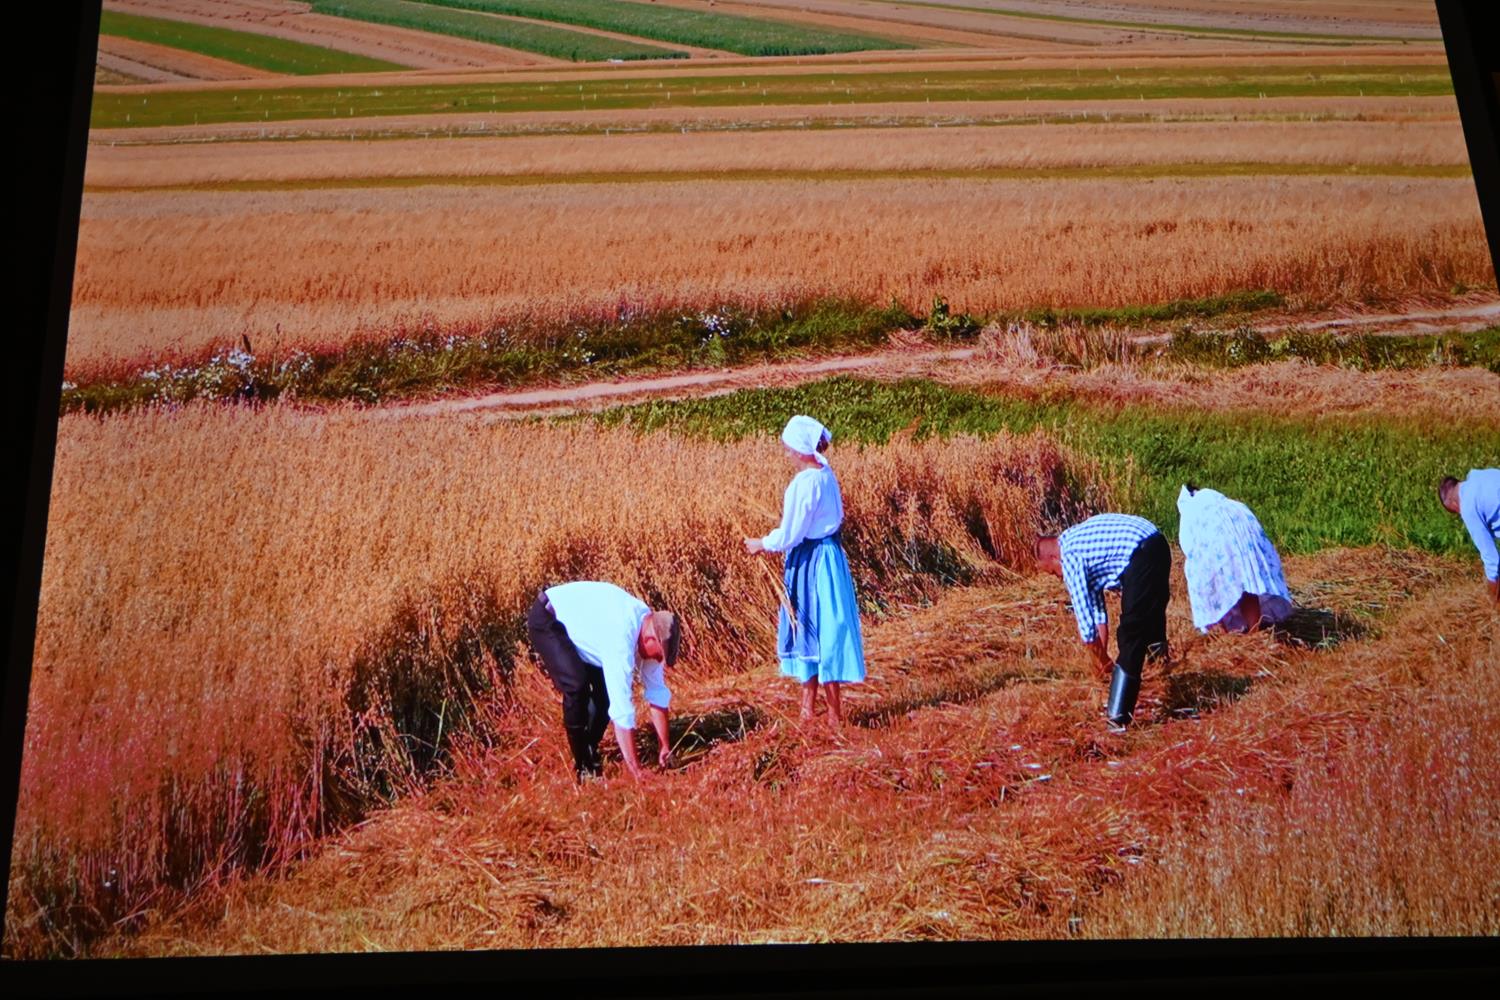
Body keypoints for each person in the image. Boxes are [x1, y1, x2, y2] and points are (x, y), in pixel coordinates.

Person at [744, 415, 866, 729]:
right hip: (830, 557)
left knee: (818, 631)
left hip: (811, 563)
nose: (787, 454)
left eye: (789, 448)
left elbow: (792, 534)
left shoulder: (805, 483)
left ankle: (830, 715)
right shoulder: (826, 473)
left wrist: (762, 543)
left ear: (799, 449)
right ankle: (810, 709)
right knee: (820, 630)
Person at [525, 581, 680, 783]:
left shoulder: (650, 627)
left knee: (603, 696)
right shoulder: (621, 637)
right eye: (658, 655)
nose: (658, 660)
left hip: (588, 631)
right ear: (650, 639)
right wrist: (637, 772)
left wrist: (665, 747)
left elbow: (657, 692)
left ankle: (590, 749)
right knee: (577, 686)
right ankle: (584, 768)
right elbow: (622, 708)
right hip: (550, 618)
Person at [1034, 513, 1170, 732]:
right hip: (1158, 544)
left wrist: (1104, 663)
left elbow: (1086, 627)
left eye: (1052, 572)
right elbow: (1098, 615)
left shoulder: (1070, 557)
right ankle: (1162, 678)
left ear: (1054, 558)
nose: (1058, 577)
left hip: (1142, 552)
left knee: (1131, 632)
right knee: (1152, 620)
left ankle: (1117, 719)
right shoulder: (1077, 543)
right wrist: (1101, 662)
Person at [1176, 484, 1293, 634]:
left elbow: (1189, 546)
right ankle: (1254, 631)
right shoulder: (1229, 504)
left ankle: (1225, 635)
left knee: (1213, 587)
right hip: (1246, 543)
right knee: (1248, 584)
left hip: (1219, 543)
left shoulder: (1191, 509)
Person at [1439, 469, 1500, 606]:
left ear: (1454, 504)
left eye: (1456, 512)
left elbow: (1492, 559)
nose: (1460, 514)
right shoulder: (1478, 476)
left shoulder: (1467, 506)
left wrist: (1492, 603)